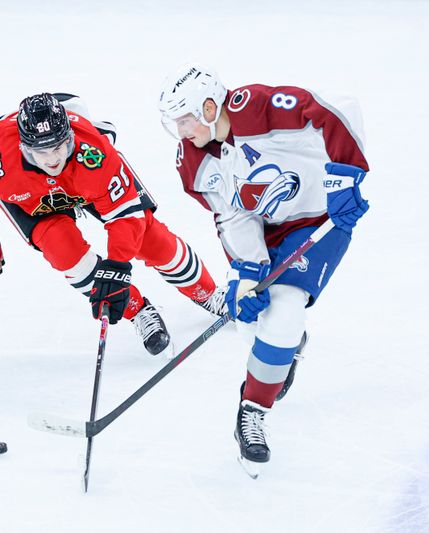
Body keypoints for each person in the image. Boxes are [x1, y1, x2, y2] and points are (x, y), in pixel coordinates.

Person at [157, 64, 370, 474]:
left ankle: (251, 410)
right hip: (264, 232)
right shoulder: (194, 162)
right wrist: (246, 273)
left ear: (207, 106)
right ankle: (285, 348)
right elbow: (233, 217)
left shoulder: (259, 108)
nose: (181, 131)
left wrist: (345, 177)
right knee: (253, 325)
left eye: (184, 119)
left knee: (285, 310)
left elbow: (340, 110)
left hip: (318, 221)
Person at [0, 92, 227, 356]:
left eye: (59, 147)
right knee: (65, 255)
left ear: (70, 136)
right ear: (23, 148)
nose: (53, 160)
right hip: (30, 199)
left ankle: (207, 293)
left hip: (82, 180)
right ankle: (138, 310)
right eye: (40, 153)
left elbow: (126, 217)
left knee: (152, 241)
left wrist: (117, 266)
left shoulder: (95, 154)